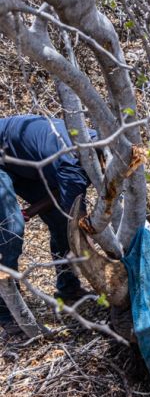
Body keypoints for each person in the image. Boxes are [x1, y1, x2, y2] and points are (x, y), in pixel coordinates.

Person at [0, 115, 96, 334]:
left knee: (61, 221)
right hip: (7, 153)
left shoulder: (99, 149)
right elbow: (78, 224)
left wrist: (30, 211)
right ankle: (6, 312)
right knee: (11, 228)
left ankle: (68, 288)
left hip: (26, 161)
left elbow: (60, 193)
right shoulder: (72, 163)